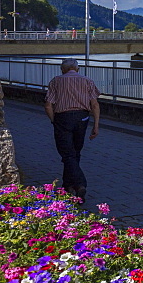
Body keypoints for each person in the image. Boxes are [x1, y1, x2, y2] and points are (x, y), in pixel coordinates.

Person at [43, 58, 101, 202]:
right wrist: (96, 125)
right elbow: (94, 105)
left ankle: (80, 185)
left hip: (63, 118)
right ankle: (68, 186)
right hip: (82, 118)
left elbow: (48, 106)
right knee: (75, 153)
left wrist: (53, 120)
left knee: (67, 154)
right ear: (77, 69)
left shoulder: (56, 81)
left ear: (62, 69)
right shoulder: (87, 81)